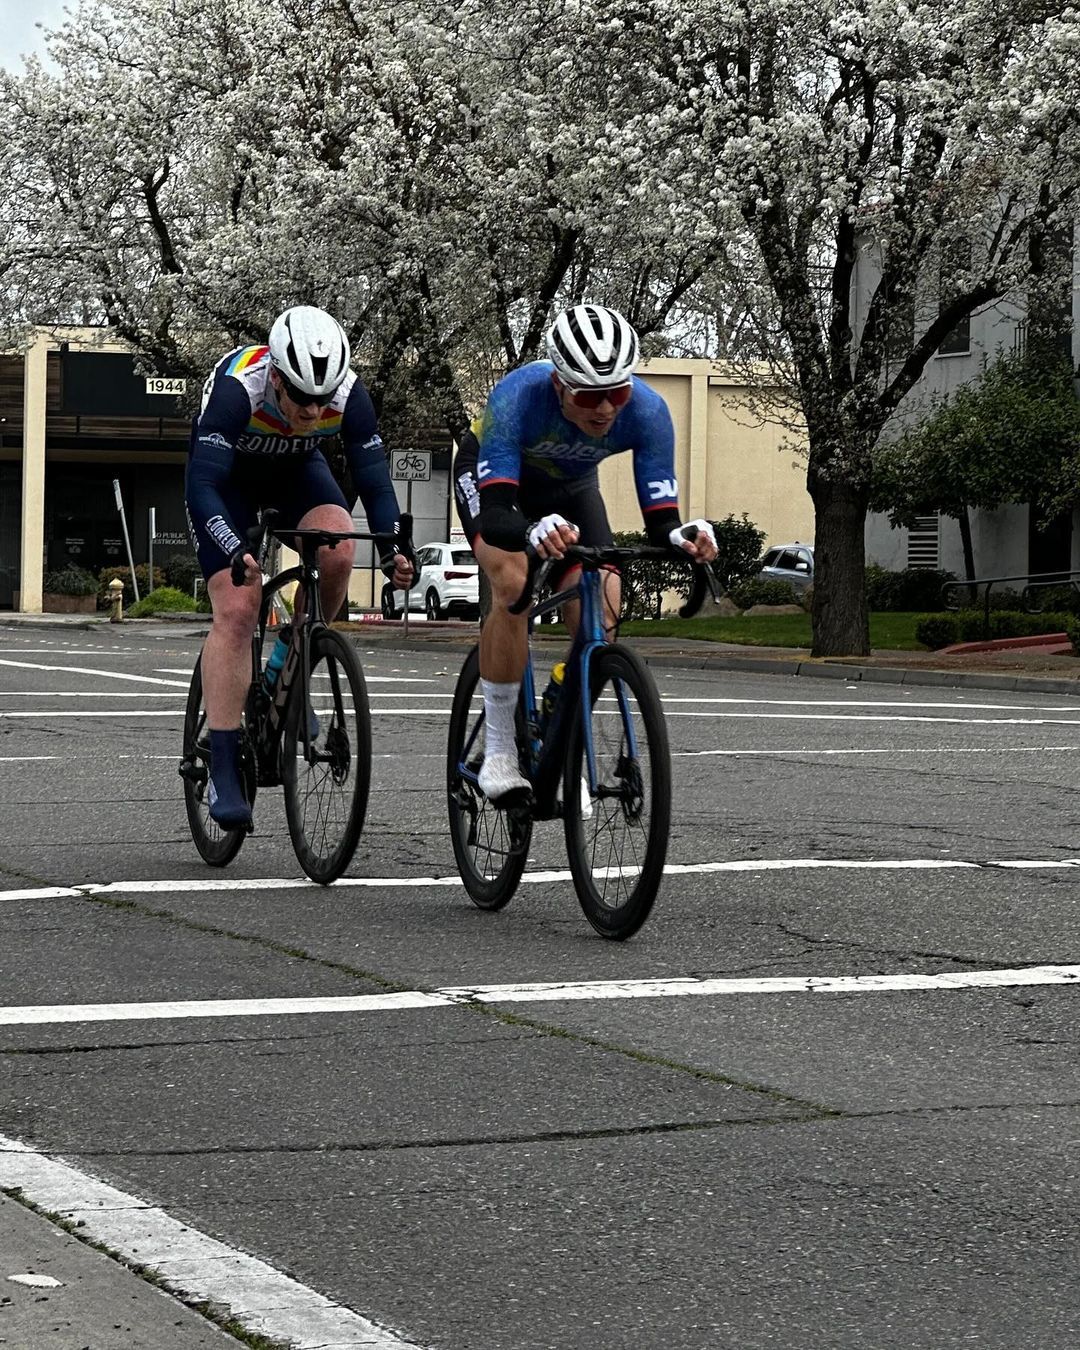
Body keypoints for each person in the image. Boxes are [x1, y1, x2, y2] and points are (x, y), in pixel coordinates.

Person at [453, 302, 718, 802]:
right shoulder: (517, 398)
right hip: (499, 487)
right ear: (559, 385)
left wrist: (683, 535)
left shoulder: (647, 411)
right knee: (511, 583)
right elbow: (495, 515)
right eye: (589, 396)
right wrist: (530, 529)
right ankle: (501, 749)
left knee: (606, 598)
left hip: (571, 489)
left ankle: (561, 702)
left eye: (616, 393)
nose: (605, 409)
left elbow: (660, 520)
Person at [185, 305, 413, 828]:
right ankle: (222, 759)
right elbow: (204, 487)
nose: (313, 412)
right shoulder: (239, 388)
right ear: (278, 379)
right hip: (227, 483)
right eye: (301, 399)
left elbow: (375, 484)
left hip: (295, 471)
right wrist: (231, 545)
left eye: (323, 399)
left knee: (339, 548)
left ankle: (291, 660)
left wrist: (393, 552)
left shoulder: (349, 396)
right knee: (240, 608)